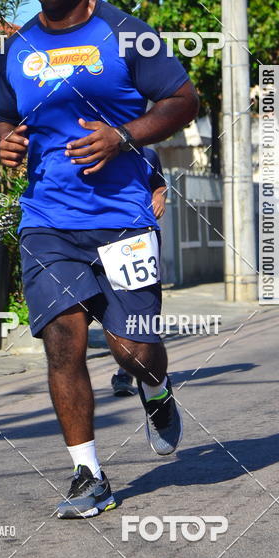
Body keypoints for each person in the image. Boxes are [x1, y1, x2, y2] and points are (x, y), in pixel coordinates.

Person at [0, 0, 199, 519]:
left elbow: (184, 101)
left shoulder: (128, 35)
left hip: (122, 217)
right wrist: (5, 143)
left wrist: (123, 137)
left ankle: (154, 389)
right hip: (48, 219)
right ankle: (88, 474)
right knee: (64, 342)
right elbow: (4, 116)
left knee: (131, 347)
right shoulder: (18, 47)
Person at [111, 146, 166, 398]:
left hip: (138, 238)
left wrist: (159, 197)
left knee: (138, 310)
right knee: (107, 307)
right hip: (94, 235)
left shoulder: (147, 154)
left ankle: (129, 373)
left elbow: (159, 183)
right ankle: (127, 368)